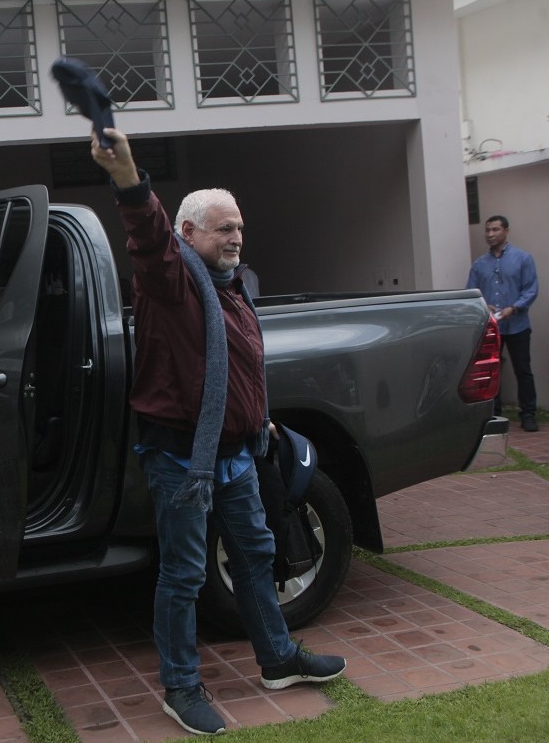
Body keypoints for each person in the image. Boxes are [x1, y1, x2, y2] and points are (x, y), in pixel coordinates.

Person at [90, 126, 345, 736]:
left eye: (238, 227)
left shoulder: (233, 290)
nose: (235, 237)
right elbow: (146, 233)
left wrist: (257, 418)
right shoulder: (171, 281)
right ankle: (181, 687)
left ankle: (278, 659)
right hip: (182, 461)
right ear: (188, 234)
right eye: (222, 227)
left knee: (256, 553)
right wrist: (128, 174)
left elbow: (233, 368)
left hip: (236, 454)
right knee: (184, 573)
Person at [465, 215, 540, 432]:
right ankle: (493, 413)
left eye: (495, 229)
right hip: (491, 327)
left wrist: (514, 307)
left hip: (517, 324)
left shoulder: (523, 259)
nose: (490, 234)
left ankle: (528, 414)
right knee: (490, 371)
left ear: (506, 231)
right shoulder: (479, 264)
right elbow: (472, 292)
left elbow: (531, 289)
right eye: (487, 230)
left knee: (523, 370)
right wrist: (484, 306)